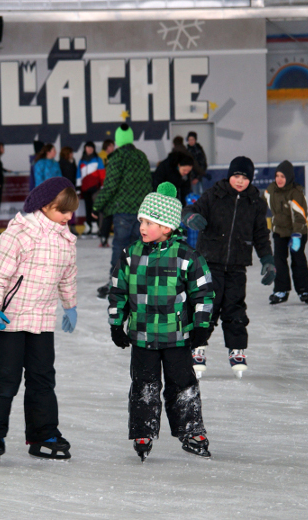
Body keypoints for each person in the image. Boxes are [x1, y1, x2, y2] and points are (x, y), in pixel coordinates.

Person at [0, 177, 79, 463]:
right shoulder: (19, 234)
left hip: (42, 319)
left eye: (72, 211)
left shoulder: (66, 240)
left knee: (42, 378)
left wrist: (70, 305)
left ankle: (43, 434)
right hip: (11, 318)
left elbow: (67, 276)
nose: (69, 217)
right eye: (63, 211)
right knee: (6, 375)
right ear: (45, 207)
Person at [109, 182, 215, 461]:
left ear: (167, 227)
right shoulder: (130, 255)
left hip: (178, 336)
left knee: (183, 384)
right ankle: (143, 431)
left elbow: (203, 291)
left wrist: (202, 325)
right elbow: (118, 290)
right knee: (144, 385)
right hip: (142, 336)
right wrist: (115, 322)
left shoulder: (185, 256)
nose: (143, 226)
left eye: (150, 222)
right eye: (142, 220)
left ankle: (191, 431)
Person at [182, 156, 275, 379]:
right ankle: (197, 348)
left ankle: (237, 350)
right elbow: (190, 209)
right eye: (236, 176)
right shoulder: (214, 194)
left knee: (235, 307)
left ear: (250, 179)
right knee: (206, 307)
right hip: (210, 262)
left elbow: (261, 235)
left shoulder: (255, 202)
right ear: (229, 176)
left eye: (244, 177)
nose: (240, 181)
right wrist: (191, 217)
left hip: (237, 265)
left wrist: (268, 260)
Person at [93, 124, 152, 300]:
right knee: (138, 246)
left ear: (118, 140)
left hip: (124, 212)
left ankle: (116, 283)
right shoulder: (141, 156)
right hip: (141, 211)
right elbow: (148, 183)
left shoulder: (117, 158)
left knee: (120, 245)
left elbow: (110, 186)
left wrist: (97, 206)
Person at [265, 160, 308, 305]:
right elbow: (261, 204)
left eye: (283, 176)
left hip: (296, 233)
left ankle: (304, 290)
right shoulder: (270, 190)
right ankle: (281, 290)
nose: (279, 179)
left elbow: (301, 215)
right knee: (278, 261)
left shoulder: (295, 193)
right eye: (277, 176)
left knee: (298, 261)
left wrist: (297, 235)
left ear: (289, 178)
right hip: (279, 231)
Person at [78, 141, 105, 237]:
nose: (89, 149)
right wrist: (78, 188)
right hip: (85, 189)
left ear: (93, 149)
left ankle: (95, 226)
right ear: (85, 149)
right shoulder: (81, 161)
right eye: (87, 147)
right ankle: (89, 225)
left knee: (95, 208)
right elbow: (79, 175)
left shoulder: (98, 160)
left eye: (91, 147)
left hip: (95, 189)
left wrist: (102, 186)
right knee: (87, 207)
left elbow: (102, 174)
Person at [97, 139, 116, 247]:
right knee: (108, 212)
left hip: (108, 186)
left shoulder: (112, 156)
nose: (112, 148)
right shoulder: (102, 157)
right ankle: (104, 234)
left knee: (108, 212)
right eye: (111, 146)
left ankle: (104, 235)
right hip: (107, 187)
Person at [58, 146, 79, 236]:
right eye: (70, 153)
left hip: (72, 188)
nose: (72, 155)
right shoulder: (61, 163)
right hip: (64, 189)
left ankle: (72, 226)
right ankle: (63, 227)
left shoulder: (72, 162)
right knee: (64, 208)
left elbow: (75, 175)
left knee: (71, 208)